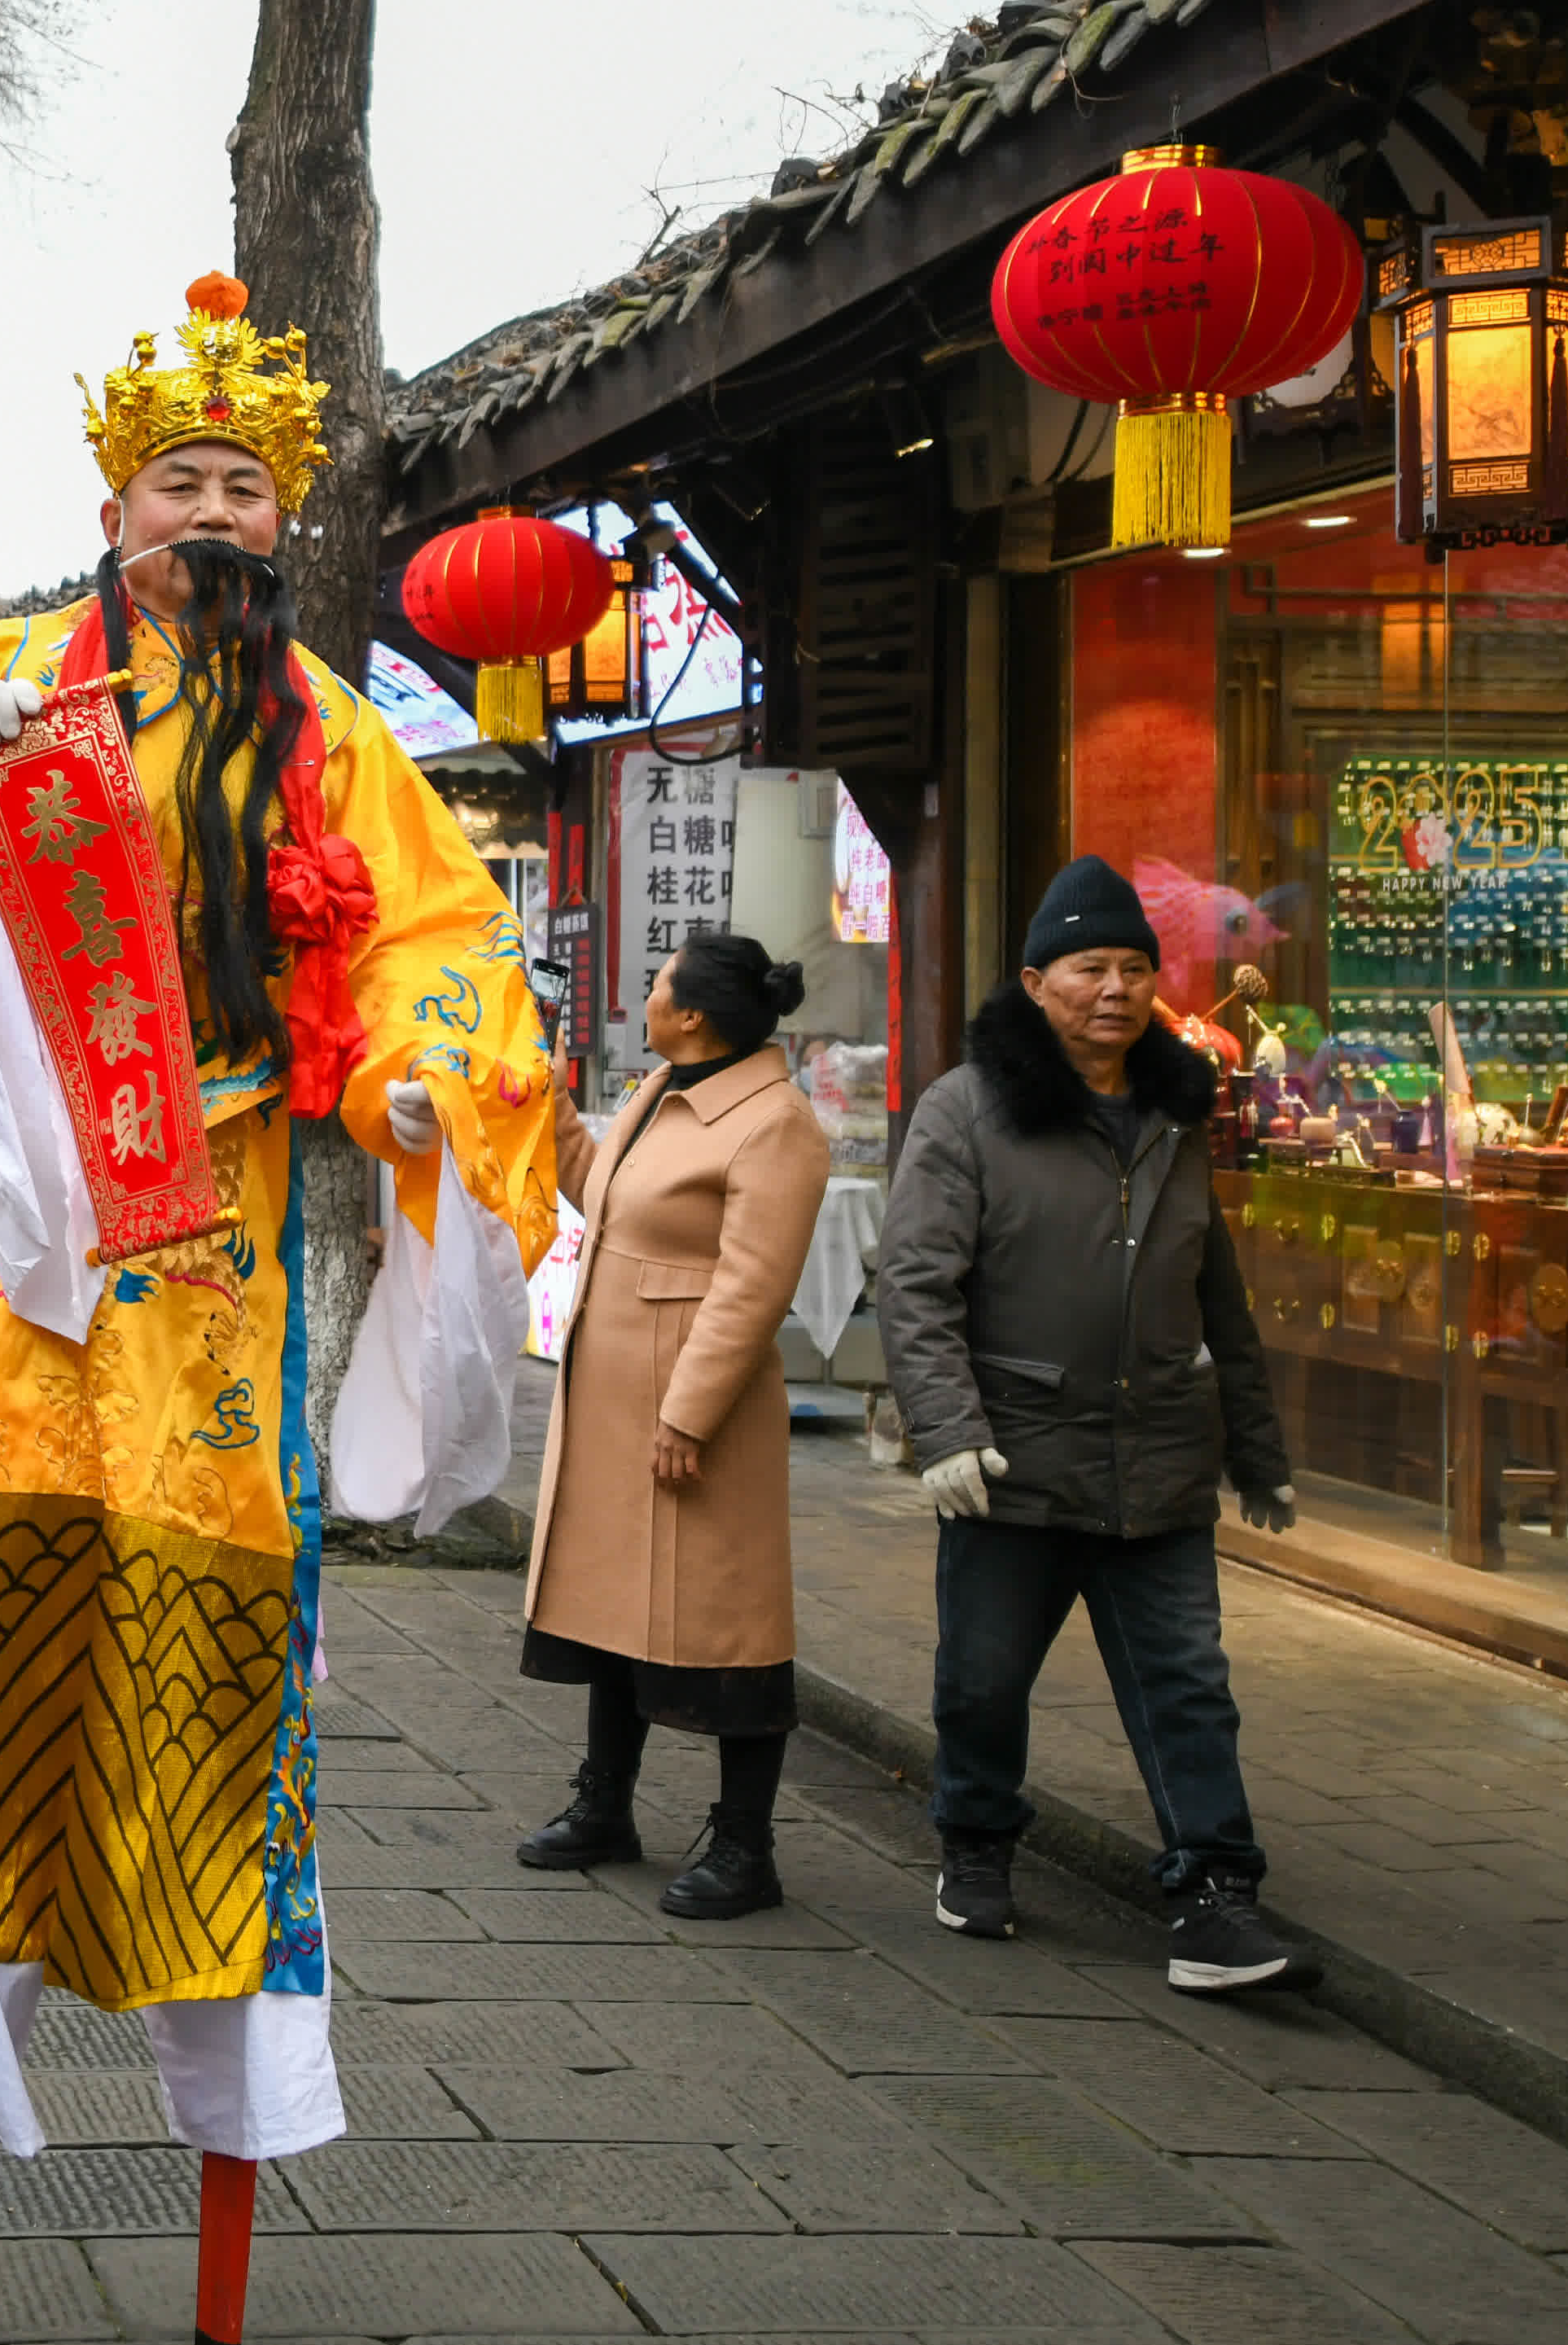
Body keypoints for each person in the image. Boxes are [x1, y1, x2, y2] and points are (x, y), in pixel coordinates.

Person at [0, 274, 556, 2345]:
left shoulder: (324, 725)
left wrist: (419, 1077)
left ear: (273, 520)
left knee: (211, 1665)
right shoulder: (1, 685)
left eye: (240, 486)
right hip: (30, 1266)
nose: (205, 515)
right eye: (173, 483)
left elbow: (434, 927)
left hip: (220, 1253)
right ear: (114, 505)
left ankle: (212, 2083)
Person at [878, 850, 1306, 1996]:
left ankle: (1215, 1895)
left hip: (1157, 1452)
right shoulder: (966, 1111)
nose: (1113, 989)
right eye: (1086, 967)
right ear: (1033, 982)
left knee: (1186, 1683)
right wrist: (945, 1429)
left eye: (1132, 968)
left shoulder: (1173, 1114)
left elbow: (1213, 1292)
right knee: (981, 1679)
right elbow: (915, 1282)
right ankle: (974, 1840)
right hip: (1011, 1454)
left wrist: (1257, 1452)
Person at [511, 931, 826, 1913]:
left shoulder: (774, 1123)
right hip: (612, 1394)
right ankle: (604, 1803)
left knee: (729, 1619)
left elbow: (751, 1286)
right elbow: (596, 1193)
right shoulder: (659, 1092)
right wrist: (537, 1094)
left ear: (690, 1014)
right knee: (616, 1609)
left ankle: (744, 1845)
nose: (644, 995)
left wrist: (688, 1413)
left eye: (654, 985)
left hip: (693, 1403)